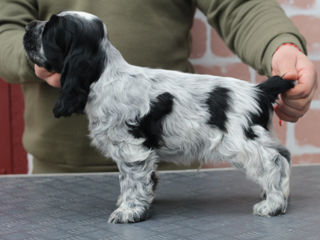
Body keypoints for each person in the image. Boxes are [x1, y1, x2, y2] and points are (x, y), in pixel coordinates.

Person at [0, 0, 317, 173]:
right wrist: (40, 59)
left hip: (173, 162)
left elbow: (239, 4)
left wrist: (281, 47)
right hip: (59, 173)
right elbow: (5, 26)